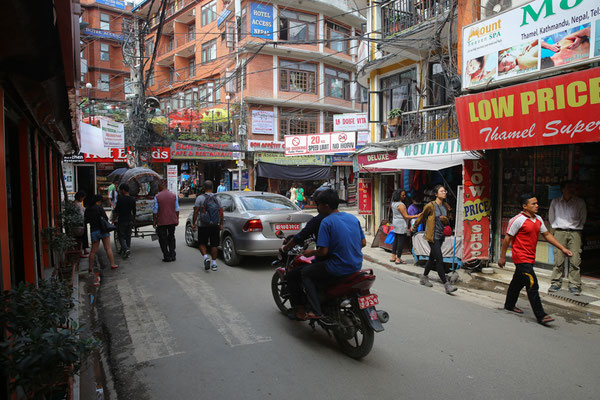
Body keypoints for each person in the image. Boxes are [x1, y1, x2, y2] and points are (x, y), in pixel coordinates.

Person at [499, 194, 573, 325]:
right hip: (521, 258)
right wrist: (502, 257)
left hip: (530, 256)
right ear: (525, 206)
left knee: (518, 282)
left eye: (537, 203)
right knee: (532, 284)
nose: (537, 206)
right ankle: (541, 315)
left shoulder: (538, 219)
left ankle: (509, 305)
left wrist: (562, 248)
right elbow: (507, 239)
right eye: (533, 204)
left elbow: (547, 235)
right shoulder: (517, 220)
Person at [300, 189, 366, 320]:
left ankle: (316, 311)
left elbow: (323, 251)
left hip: (337, 267)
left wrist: (309, 253)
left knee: (305, 273)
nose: (317, 208)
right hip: (356, 266)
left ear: (326, 206)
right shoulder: (352, 218)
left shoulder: (326, 222)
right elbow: (363, 242)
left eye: (318, 205)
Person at [281, 207, 327, 319]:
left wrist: (286, 248)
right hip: (355, 263)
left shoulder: (323, 221)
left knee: (297, 274)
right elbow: (363, 242)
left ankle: (303, 312)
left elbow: (323, 251)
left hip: (331, 264)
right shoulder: (349, 218)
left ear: (323, 205)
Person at [412, 185, 457, 294]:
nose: (444, 193)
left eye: (445, 191)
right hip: (432, 237)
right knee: (439, 259)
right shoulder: (430, 206)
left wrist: (445, 219)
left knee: (432, 257)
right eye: (442, 191)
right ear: (436, 194)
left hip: (441, 236)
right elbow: (422, 217)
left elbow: (448, 221)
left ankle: (424, 277)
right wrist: (414, 226)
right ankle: (446, 285)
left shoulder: (446, 206)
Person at [548, 181, 587, 295]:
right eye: (568, 187)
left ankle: (574, 284)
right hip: (559, 232)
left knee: (575, 259)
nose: (571, 189)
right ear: (563, 189)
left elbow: (582, 218)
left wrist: (576, 228)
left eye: (572, 187)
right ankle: (555, 282)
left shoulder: (579, 202)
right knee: (558, 259)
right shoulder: (555, 202)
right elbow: (551, 218)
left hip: (575, 232)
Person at [192, 180, 223, 271]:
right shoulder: (217, 198)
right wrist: (221, 224)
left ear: (204, 188)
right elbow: (221, 213)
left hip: (203, 225)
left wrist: (194, 223)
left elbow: (196, 212)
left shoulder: (200, 198)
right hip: (215, 225)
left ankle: (206, 257)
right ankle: (214, 264)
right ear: (212, 188)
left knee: (202, 243)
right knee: (214, 244)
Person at [84, 194, 118, 274]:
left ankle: (90, 268)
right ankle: (112, 264)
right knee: (108, 248)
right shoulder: (99, 208)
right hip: (103, 230)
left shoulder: (88, 209)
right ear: (98, 201)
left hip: (94, 231)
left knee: (93, 251)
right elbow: (105, 218)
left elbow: (86, 220)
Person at [389, 189, 421, 264]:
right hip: (401, 223)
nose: (404, 196)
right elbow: (406, 216)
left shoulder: (393, 203)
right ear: (398, 195)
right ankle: (398, 258)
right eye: (402, 195)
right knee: (400, 241)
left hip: (396, 222)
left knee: (396, 239)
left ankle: (393, 256)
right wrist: (417, 215)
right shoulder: (401, 205)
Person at [153, 180, 179, 262]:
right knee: (171, 237)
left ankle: (166, 256)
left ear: (161, 186)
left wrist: (154, 221)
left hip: (161, 221)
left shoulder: (157, 196)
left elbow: (155, 211)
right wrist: (177, 219)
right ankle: (173, 254)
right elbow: (177, 209)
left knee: (162, 239)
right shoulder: (174, 196)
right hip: (172, 220)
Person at [112, 183, 136, 259]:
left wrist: (113, 219)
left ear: (123, 190)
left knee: (121, 236)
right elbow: (134, 211)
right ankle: (127, 249)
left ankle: (125, 249)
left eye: (120, 190)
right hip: (129, 220)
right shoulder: (132, 199)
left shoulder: (121, 199)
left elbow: (116, 211)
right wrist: (134, 219)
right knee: (128, 236)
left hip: (122, 220)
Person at [74, 191, 89, 258]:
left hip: (79, 222)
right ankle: (81, 252)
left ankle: (84, 249)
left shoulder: (76, 203)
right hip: (80, 223)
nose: (83, 199)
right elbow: (82, 214)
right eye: (83, 197)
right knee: (81, 237)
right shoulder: (77, 205)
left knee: (82, 237)